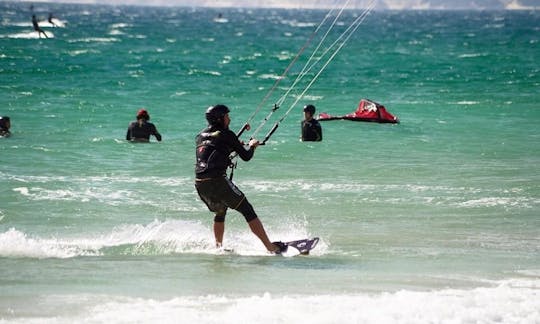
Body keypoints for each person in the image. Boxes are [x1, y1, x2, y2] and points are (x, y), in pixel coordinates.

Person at [194, 104, 286, 254]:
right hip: (217, 180)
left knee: (220, 212)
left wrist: (234, 145)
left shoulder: (200, 136)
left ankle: (218, 248)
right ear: (219, 119)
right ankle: (270, 247)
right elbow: (246, 157)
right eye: (226, 116)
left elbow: (215, 148)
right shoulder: (227, 134)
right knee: (247, 210)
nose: (229, 119)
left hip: (200, 184)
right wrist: (252, 146)